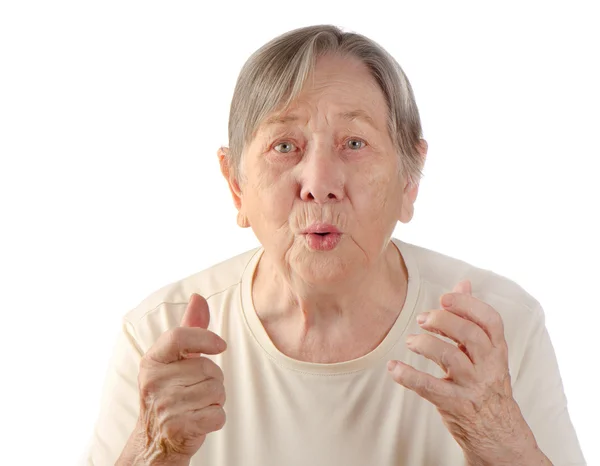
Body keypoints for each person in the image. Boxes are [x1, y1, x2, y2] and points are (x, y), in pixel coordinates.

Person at [85, 24, 586, 466]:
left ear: (409, 179)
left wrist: (500, 441)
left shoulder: (496, 328)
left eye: (354, 143)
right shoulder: (158, 338)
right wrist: (155, 454)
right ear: (235, 184)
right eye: (285, 146)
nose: (319, 181)